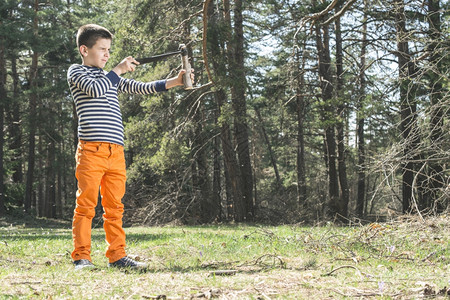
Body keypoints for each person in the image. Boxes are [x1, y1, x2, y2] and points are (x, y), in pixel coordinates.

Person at [67, 24, 193, 270]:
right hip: (91, 151)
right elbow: (96, 90)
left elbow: (141, 87)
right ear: (84, 49)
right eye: (102, 49)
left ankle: (117, 256)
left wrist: (175, 81)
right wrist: (117, 69)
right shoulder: (77, 73)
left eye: (109, 50)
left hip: (116, 152)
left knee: (115, 207)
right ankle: (81, 257)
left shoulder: (112, 78)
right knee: (86, 205)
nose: (106, 54)